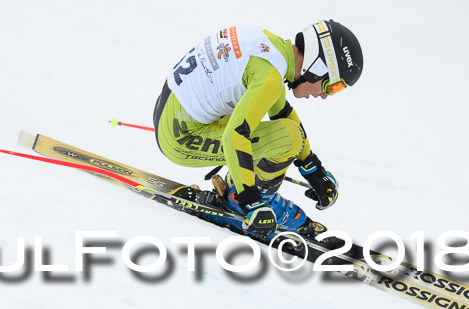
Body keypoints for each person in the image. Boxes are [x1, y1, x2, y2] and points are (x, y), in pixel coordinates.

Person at [152, 20, 363, 239]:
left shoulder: (270, 46)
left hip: (170, 114)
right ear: (317, 66)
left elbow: (281, 112)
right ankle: (243, 200)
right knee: (286, 137)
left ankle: (240, 186)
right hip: (180, 138)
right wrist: (250, 201)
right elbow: (235, 136)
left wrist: (312, 167)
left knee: (279, 128)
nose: (325, 95)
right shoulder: (270, 77)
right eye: (333, 86)